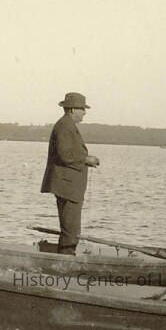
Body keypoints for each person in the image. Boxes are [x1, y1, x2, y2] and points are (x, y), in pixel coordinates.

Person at [40, 92, 100, 254]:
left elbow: (67, 154)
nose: (84, 112)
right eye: (82, 109)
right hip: (67, 187)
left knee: (70, 227)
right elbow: (65, 154)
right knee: (71, 228)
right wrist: (86, 159)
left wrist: (85, 159)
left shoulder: (66, 125)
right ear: (73, 109)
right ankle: (66, 259)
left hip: (68, 186)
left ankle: (66, 255)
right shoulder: (65, 126)